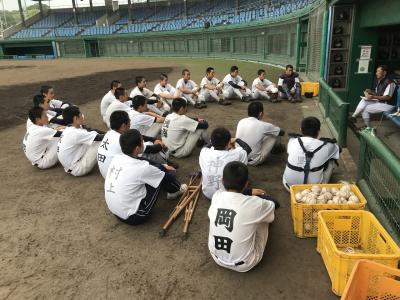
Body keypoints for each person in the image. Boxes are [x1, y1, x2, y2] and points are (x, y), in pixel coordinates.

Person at [104, 129, 187, 225]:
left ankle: (170, 186)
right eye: (142, 141)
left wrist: (162, 166)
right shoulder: (141, 168)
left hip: (116, 212)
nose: (144, 143)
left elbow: (141, 160)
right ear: (136, 149)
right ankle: (177, 190)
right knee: (159, 178)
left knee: (154, 173)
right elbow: (168, 177)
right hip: (135, 216)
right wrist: (170, 171)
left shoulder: (117, 158)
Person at [208, 161, 276, 272]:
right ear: (246, 183)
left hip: (216, 257)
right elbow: (273, 206)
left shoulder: (216, 196)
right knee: (263, 219)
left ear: (222, 181)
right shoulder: (255, 203)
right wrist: (250, 193)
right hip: (245, 264)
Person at [98, 110, 169, 179]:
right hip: (118, 175)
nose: (130, 123)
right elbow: (149, 149)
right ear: (123, 126)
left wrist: (154, 140)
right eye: (129, 121)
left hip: (108, 173)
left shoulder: (109, 133)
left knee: (139, 149)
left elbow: (135, 136)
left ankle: (164, 164)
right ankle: (165, 164)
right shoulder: (120, 139)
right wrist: (161, 145)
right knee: (143, 151)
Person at [282, 116, 340, 191]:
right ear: (318, 131)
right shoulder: (326, 147)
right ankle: (323, 184)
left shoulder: (292, 141)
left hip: (290, 187)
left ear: (301, 129)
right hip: (314, 191)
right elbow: (337, 149)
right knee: (332, 159)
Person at [199, 127, 251, 199]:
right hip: (227, 195)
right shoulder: (236, 154)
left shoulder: (204, 152)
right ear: (229, 142)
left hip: (207, 193)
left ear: (211, 141)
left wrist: (213, 142)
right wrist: (237, 139)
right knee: (239, 169)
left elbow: (205, 146)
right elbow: (247, 149)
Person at [57, 106, 105, 176]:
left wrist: (106, 133)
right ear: (75, 118)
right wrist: (114, 134)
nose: (82, 116)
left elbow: (90, 130)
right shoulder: (76, 133)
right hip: (78, 168)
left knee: (91, 138)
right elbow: (100, 138)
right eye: (80, 115)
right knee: (101, 142)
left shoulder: (69, 129)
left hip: (70, 166)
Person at [236, 102, 284, 166]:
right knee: (274, 134)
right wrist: (273, 128)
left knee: (264, 134)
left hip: (239, 157)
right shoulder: (264, 125)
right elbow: (282, 132)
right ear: (260, 113)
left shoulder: (241, 121)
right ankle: (278, 149)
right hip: (253, 161)